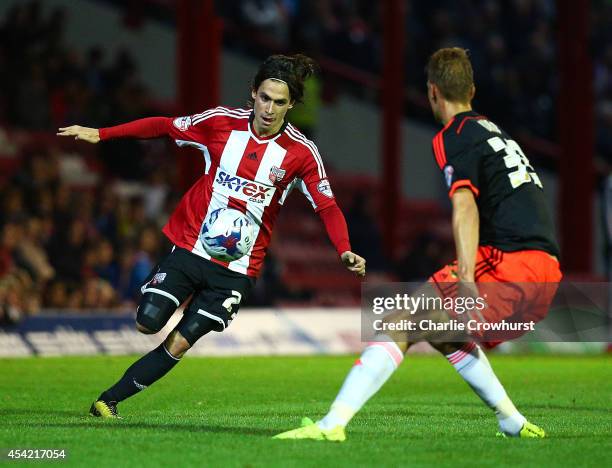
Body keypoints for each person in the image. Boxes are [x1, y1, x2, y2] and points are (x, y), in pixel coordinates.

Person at [274, 47, 562, 441]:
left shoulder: (455, 135)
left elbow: (466, 208)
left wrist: (465, 276)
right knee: (442, 333)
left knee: (400, 323)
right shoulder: (497, 133)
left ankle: (331, 425)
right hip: (546, 271)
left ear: (432, 93)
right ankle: (511, 420)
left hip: (507, 263)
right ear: (472, 89)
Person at [57, 54, 366, 418]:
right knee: (148, 321)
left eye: (280, 102)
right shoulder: (220, 123)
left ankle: (107, 402)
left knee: (180, 342)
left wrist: (344, 249)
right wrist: (102, 133)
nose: (269, 108)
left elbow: (327, 207)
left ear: (292, 105)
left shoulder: (301, 153)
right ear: (253, 93)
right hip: (190, 249)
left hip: (235, 271)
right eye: (264, 97)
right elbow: (166, 125)